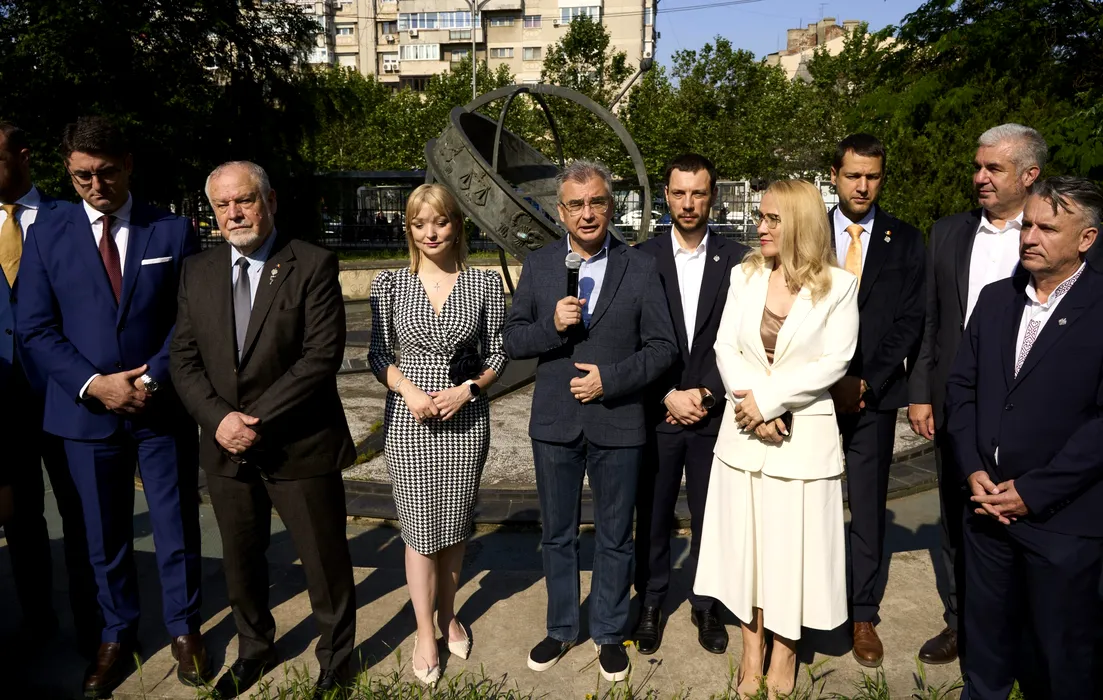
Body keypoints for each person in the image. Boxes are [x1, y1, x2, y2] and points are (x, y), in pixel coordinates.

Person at [16, 116, 206, 697]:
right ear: (68, 171)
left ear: (128, 164)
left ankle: (185, 630)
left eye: (106, 172)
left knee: (176, 526)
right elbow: (35, 327)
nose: (95, 185)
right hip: (85, 413)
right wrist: (95, 385)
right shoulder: (46, 234)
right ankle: (115, 635)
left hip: (160, 409)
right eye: (82, 176)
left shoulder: (171, 231)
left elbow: (189, 320)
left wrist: (150, 380)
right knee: (101, 536)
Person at [170, 161, 357, 699]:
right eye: (222, 205)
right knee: (241, 561)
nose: (234, 213)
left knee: (324, 562)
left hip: (301, 444)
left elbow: (320, 357)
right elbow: (184, 359)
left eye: (244, 200)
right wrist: (219, 420)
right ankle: (255, 649)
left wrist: (252, 420)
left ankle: (336, 659)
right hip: (225, 448)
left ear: (269, 201)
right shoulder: (197, 271)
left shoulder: (312, 263)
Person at [503, 160, 678, 682]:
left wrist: (611, 381)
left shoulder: (639, 266)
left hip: (618, 422)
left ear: (610, 206)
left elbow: (663, 347)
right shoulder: (539, 265)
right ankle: (561, 628)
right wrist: (551, 327)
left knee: (615, 536)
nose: (587, 213)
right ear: (560, 212)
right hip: (555, 423)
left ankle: (607, 631)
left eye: (597, 202)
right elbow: (512, 340)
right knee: (557, 534)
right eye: (576, 204)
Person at [696, 179, 859, 697]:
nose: (759, 226)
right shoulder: (745, 275)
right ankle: (752, 651)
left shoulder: (839, 286)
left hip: (802, 443)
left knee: (792, 554)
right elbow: (725, 347)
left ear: (801, 224)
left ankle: (785, 653)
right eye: (760, 217)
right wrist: (752, 409)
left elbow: (834, 361)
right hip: (743, 438)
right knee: (747, 552)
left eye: (772, 218)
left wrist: (768, 403)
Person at [945, 176, 1103, 699]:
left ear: (1086, 239)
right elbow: (961, 389)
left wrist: (1033, 491)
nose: (1030, 237)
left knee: (1060, 660)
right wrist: (973, 468)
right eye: (1027, 225)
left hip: (1062, 523)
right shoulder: (996, 300)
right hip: (987, 512)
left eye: (1047, 228)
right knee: (985, 653)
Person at [907, 124, 1046, 665]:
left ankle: (1028, 632)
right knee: (956, 512)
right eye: (978, 166)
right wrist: (921, 392)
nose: (980, 177)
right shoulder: (948, 232)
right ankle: (961, 623)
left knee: (1026, 512)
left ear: (1030, 175)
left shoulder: (1049, 234)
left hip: (1027, 403)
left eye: (994, 168)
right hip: (955, 399)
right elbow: (931, 319)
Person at [368, 183, 507, 686]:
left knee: (454, 528)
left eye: (441, 222)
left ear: (457, 225)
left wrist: (467, 390)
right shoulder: (389, 284)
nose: (430, 232)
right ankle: (425, 631)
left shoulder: (484, 283)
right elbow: (378, 354)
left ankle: (449, 614)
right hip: (409, 421)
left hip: (465, 422)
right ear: (409, 228)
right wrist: (408, 389)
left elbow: (498, 354)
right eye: (419, 223)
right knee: (419, 531)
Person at [632, 154, 748, 656]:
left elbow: (742, 339)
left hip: (712, 414)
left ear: (712, 196)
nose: (688, 203)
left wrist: (706, 392)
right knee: (653, 514)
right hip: (657, 411)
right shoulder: (640, 258)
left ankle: (706, 603)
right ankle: (651, 600)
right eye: (679, 193)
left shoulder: (738, 260)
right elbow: (631, 338)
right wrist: (666, 393)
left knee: (711, 516)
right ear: (666, 195)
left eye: (698, 193)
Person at [0, 121, 101, 657]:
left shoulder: (71, 218)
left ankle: (94, 626)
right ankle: (37, 618)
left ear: (23, 156)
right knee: (20, 518)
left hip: (68, 393)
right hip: (3, 403)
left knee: (81, 513)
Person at [826, 134, 925, 667]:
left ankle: (862, 612)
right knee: (809, 504)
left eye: (873, 176)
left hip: (874, 398)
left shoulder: (905, 240)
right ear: (835, 176)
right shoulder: (808, 233)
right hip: (812, 397)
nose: (863, 186)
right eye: (853, 175)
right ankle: (809, 605)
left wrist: (864, 381)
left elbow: (910, 320)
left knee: (866, 508)